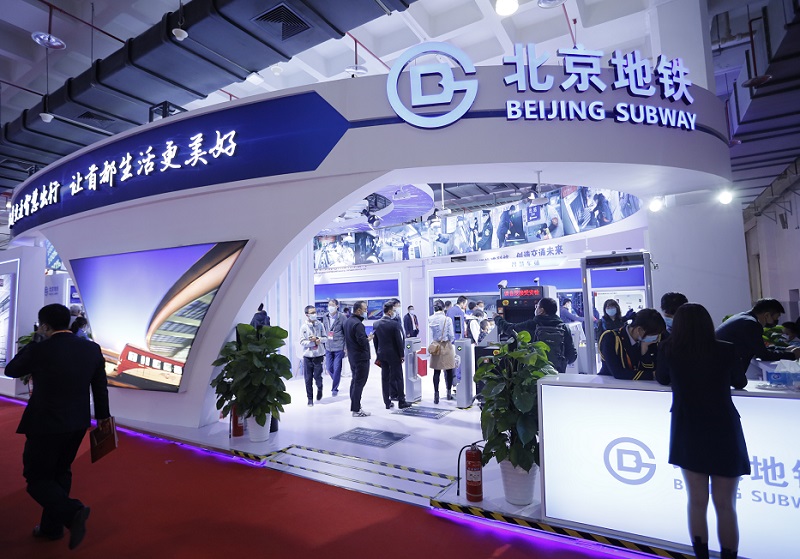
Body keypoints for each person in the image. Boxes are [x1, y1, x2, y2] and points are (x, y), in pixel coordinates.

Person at [5, 303, 111, 550]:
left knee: (36, 478)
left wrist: (35, 342)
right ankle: (51, 528)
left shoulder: (41, 349)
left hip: (45, 424)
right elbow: (99, 387)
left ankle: (72, 512)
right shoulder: (91, 348)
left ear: (44, 325)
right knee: (61, 472)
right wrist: (103, 417)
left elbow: (12, 370)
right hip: (77, 422)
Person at [656, 303, 749, 559]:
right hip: (724, 429)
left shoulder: (668, 349)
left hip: (688, 428)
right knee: (726, 505)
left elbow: (662, 378)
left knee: (696, 502)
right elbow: (740, 381)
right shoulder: (726, 349)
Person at [715, 299, 800, 377]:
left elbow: (758, 348)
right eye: (776, 318)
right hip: (722, 371)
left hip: (718, 366)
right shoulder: (751, 324)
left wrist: (785, 349)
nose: (776, 322)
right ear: (767, 315)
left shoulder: (743, 318)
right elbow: (763, 355)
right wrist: (793, 355)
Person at [494, 297, 577, 374]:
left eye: (537, 307)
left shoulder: (532, 324)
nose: (535, 309)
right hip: (557, 374)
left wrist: (497, 318)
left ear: (541, 311)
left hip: (534, 375)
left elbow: (510, 329)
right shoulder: (564, 328)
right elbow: (572, 355)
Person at [598, 308, 666, 380]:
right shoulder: (611, 337)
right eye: (653, 334)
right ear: (639, 330)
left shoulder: (646, 341)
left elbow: (650, 369)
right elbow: (618, 372)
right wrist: (653, 375)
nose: (656, 337)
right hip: (609, 383)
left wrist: (644, 350)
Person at [373, 301, 412, 410]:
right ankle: (401, 401)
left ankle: (387, 402)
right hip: (394, 355)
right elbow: (398, 341)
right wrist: (402, 355)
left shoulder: (376, 324)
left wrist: (378, 354)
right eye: (394, 310)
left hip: (382, 354)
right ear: (390, 312)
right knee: (398, 377)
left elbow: (375, 342)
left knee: (385, 378)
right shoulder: (394, 324)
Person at [344, 301, 372, 417]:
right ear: (359, 310)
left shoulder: (348, 322)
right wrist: (369, 338)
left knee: (355, 382)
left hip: (353, 356)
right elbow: (362, 342)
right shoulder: (358, 324)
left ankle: (355, 406)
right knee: (359, 383)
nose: (366, 311)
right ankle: (356, 409)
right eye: (365, 309)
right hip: (361, 357)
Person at [428, 299, 456, 403]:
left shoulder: (430, 318)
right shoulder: (447, 319)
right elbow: (451, 335)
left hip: (436, 346)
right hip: (446, 345)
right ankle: (448, 393)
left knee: (436, 371)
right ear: (443, 308)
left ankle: (436, 395)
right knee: (449, 370)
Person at [299, 305, 327, 407]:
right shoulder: (304, 327)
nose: (314, 314)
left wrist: (319, 339)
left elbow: (325, 338)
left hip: (319, 355)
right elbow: (302, 341)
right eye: (312, 313)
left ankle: (320, 388)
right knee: (308, 379)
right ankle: (310, 399)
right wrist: (312, 342)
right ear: (307, 315)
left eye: (315, 312)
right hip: (307, 356)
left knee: (317, 376)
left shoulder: (320, 325)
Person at [322, 299, 346, 397]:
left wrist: (345, 347)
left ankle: (334, 388)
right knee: (329, 368)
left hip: (339, 347)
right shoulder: (325, 316)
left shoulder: (342, 317)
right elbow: (324, 330)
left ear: (337, 306)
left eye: (332, 305)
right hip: (328, 346)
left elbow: (346, 333)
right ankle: (336, 378)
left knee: (337, 369)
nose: (330, 307)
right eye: (329, 305)